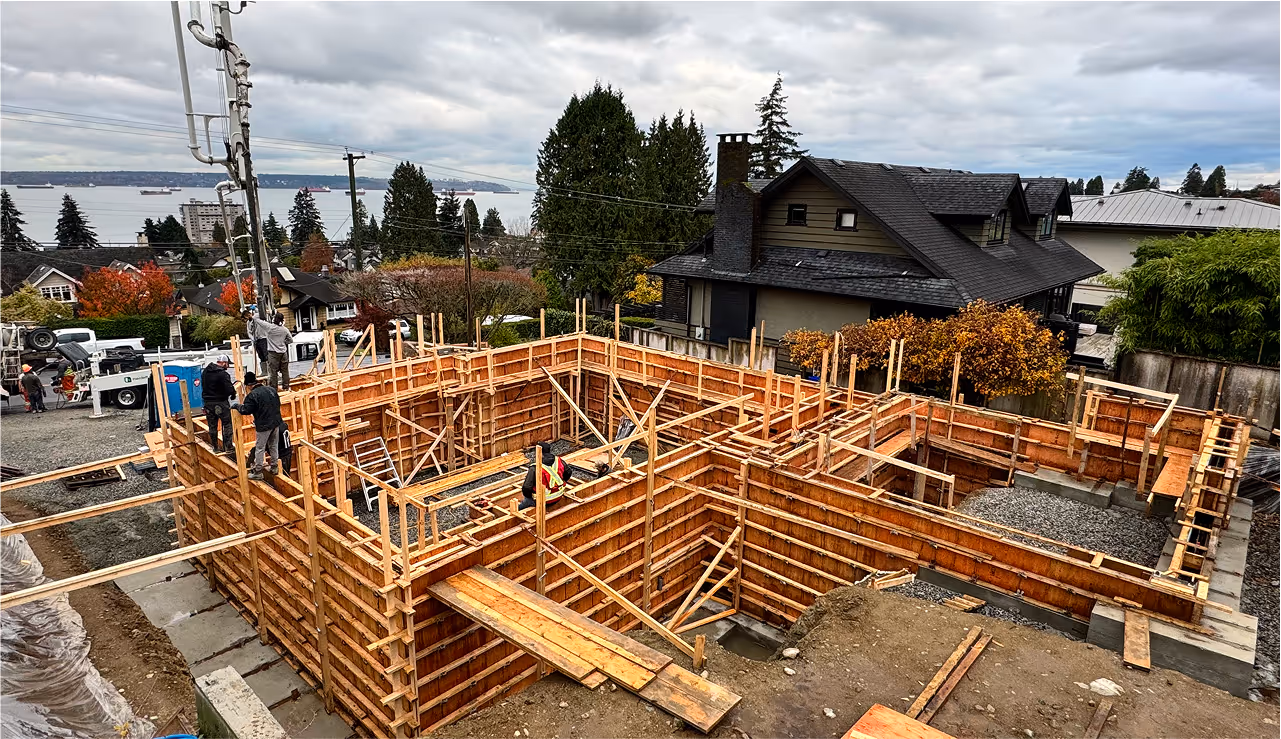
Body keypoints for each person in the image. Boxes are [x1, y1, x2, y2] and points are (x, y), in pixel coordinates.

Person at [231, 371, 282, 479]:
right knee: (273, 445)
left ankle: (258, 472)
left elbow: (246, 410)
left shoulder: (253, 395)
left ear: (249, 385)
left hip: (264, 425)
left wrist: (237, 406)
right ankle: (274, 467)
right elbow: (277, 404)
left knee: (260, 448)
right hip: (276, 422)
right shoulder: (271, 390)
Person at [518, 442, 577, 510]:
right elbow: (568, 473)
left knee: (522, 505)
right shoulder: (559, 461)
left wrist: (530, 496)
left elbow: (526, 488)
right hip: (558, 496)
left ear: (539, 452)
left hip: (542, 501)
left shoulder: (535, 468)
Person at [246, 311, 293, 391]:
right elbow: (290, 340)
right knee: (285, 371)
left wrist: (265, 312)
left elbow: (255, 319)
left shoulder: (269, 327)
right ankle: (286, 387)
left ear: (274, 319)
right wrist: (283, 343)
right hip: (283, 353)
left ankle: (274, 389)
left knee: (273, 372)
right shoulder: (285, 330)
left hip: (273, 353)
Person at [201, 354, 237, 454]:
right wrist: (233, 394)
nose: (228, 366)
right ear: (224, 363)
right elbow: (229, 389)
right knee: (227, 424)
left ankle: (215, 448)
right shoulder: (223, 374)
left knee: (212, 426)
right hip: (220, 403)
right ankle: (228, 447)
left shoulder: (205, 372)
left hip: (208, 403)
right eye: (227, 364)